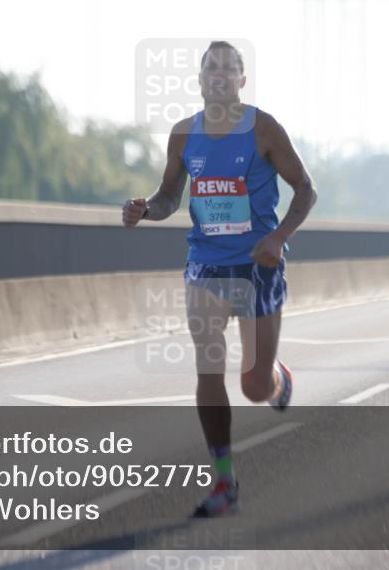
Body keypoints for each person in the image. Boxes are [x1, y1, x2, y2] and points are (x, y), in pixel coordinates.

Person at [122, 41, 317, 517]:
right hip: (206, 264)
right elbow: (170, 197)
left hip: (257, 263)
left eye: (230, 69)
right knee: (208, 368)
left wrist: (279, 238)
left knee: (253, 386)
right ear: (200, 78)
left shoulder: (263, 128)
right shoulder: (184, 134)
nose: (220, 75)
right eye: (212, 68)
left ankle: (275, 379)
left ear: (242, 81)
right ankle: (224, 481)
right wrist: (145, 210)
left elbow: (306, 190)